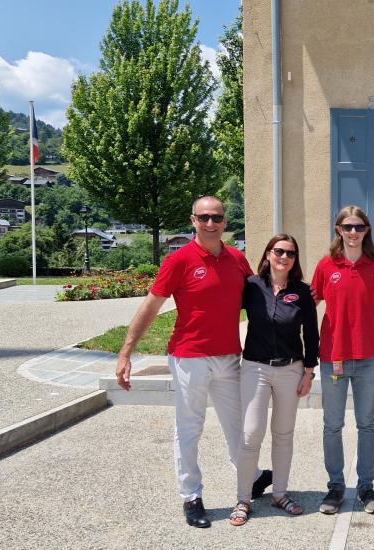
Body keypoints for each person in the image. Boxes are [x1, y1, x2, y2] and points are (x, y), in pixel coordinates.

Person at [114, 196, 271, 529]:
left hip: (229, 355)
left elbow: (261, 300)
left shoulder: (237, 260)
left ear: (225, 222)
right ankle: (191, 496)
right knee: (189, 429)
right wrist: (126, 352)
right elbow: (151, 306)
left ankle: (252, 478)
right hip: (189, 357)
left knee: (239, 427)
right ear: (193, 221)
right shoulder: (179, 260)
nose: (211, 223)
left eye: (216, 218)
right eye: (204, 218)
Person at [229, 234, 319, 526]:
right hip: (255, 368)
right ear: (268, 254)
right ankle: (243, 499)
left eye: (290, 253)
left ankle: (280, 493)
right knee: (250, 434)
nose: (284, 257)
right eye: (279, 251)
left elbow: (312, 336)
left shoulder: (303, 292)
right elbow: (223, 309)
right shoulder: (252, 286)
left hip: (290, 369)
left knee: (283, 434)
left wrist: (308, 371)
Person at [312, 206, 374, 514]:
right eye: (347, 226)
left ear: (366, 230)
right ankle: (336, 487)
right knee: (333, 425)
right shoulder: (327, 266)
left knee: (367, 424)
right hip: (334, 358)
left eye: (359, 227)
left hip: (369, 357)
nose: (353, 232)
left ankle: (366, 487)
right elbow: (307, 304)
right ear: (338, 229)